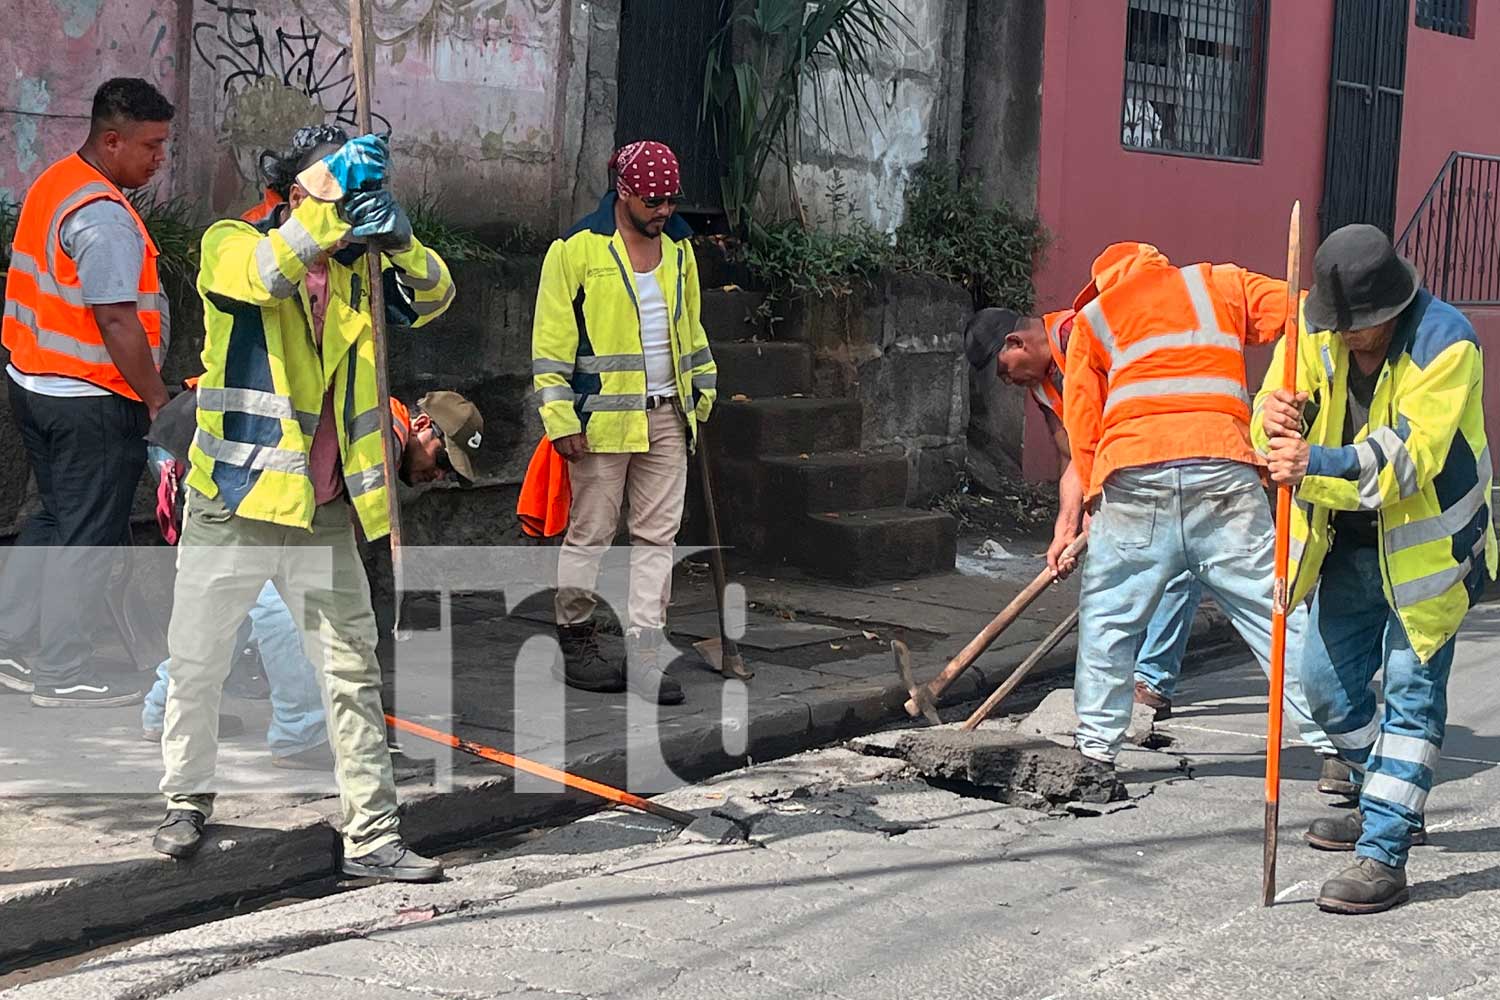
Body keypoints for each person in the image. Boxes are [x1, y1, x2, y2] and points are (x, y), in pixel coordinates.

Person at [152, 124, 457, 884]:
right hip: (233, 502)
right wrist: (327, 210)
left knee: (350, 672)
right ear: (294, 194)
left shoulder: (358, 267)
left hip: (322, 511)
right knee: (197, 663)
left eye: (355, 195)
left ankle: (373, 838)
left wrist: (405, 240)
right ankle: (186, 797)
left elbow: (435, 296)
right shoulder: (232, 242)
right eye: (335, 190)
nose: (350, 208)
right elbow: (265, 274)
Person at [1256, 224, 1495, 914]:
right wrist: (1271, 423)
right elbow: (1269, 426)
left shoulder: (1447, 343)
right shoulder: (1314, 329)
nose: (1347, 338)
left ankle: (1385, 850)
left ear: (1390, 311)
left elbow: (1408, 462)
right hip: (1345, 546)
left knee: (1414, 700)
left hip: (1429, 554)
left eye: (1359, 327)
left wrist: (1313, 465)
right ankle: (1385, 794)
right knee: (1324, 689)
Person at [1061, 242, 1334, 765]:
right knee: (1275, 612)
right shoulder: (1219, 283)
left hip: (1135, 475)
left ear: (1104, 283)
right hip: (1222, 467)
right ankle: (1338, 746)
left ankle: (1095, 754)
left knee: (1108, 620)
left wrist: (1096, 498)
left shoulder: (1094, 318)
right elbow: (1306, 315)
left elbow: (1083, 421)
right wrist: (1284, 391)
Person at [140, 385, 482, 766]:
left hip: (207, 445)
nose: (438, 475)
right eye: (443, 461)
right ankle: (302, 733)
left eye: (449, 473)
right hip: (212, 451)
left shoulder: (382, 429)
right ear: (422, 425)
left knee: (238, 601)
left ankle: (165, 709)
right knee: (288, 607)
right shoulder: (381, 437)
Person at [0, 78, 175, 708]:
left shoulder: (57, 182)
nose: (160, 158)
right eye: (151, 145)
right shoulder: (103, 217)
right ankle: (63, 672)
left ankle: (11, 646)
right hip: (90, 399)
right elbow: (117, 319)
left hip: (34, 383)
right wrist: (157, 398)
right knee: (89, 533)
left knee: (52, 518)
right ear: (111, 139)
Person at [531, 141, 717, 706]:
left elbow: (692, 328)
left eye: (670, 200)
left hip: (667, 415)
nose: (664, 210)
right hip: (600, 424)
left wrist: (702, 393)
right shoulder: (575, 250)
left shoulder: (680, 248)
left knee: (658, 538)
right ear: (625, 192)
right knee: (590, 535)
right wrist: (559, 417)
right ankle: (577, 641)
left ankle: (645, 652)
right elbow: (550, 345)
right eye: (654, 200)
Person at [964, 308, 1201, 720]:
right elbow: (1073, 452)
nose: (1008, 383)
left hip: (1178, 438)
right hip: (1128, 459)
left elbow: (1134, 412)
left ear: (1017, 343)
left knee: (1178, 561)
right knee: (1126, 562)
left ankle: (1152, 681)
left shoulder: (1088, 334)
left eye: (1005, 372)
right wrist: (1067, 526)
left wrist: (1101, 498)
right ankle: (1120, 673)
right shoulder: (1043, 385)